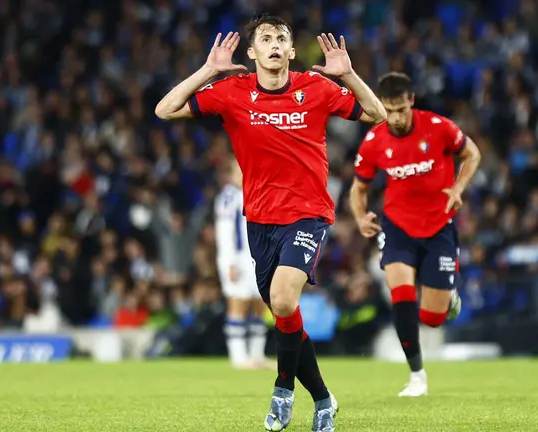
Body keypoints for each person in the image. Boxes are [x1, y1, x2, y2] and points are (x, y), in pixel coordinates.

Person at [155, 13, 386, 432]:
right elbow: (165, 109)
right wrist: (208, 71)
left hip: (309, 213)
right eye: (266, 37)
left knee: (282, 300)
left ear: (292, 51)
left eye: (282, 37)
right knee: (285, 316)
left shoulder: (315, 88)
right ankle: (323, 400)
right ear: (253, 52)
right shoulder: (233, 92)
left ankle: (282, 391)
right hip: (259, 220)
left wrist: (349, 75)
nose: (275, 43)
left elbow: (377, 114)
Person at [349, 72, 481, 397]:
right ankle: (417, 375)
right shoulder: (374, 140)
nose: (395, 118)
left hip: (439, 226)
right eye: (389, 110)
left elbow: (472, 154)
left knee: (432, 318)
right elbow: (358, 188)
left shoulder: (438, 127)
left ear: (411, 101)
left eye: (400, 109)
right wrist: (360, 216)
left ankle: (447, 296)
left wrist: (458, 187)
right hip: (398, 227)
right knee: (402, 295)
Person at [214, 158, 272, 369]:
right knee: (237, 303)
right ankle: (238, 356)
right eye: (238, 170)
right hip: (236, 259)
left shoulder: (255, 192)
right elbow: (224, 233)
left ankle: (256, 355)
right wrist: (229, 262)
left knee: (259, 305)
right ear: (230, 174)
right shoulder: (228, 197)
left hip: (256, 258)